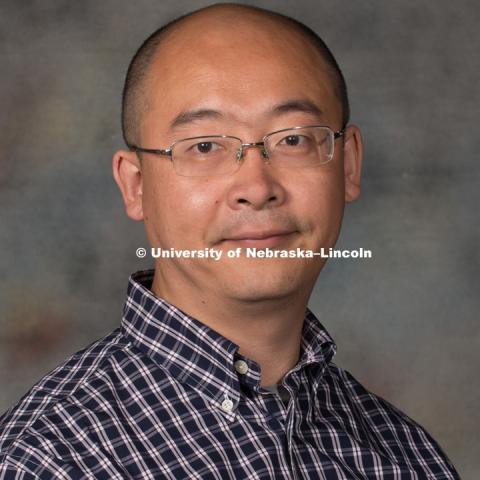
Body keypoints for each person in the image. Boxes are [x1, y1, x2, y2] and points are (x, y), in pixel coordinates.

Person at [0, 3, 460, 479]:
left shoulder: (406, 453)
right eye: (204, 147)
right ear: (135, 185)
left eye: (294, 140)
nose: (257, 187)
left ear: (347, 164)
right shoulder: (49, 460)